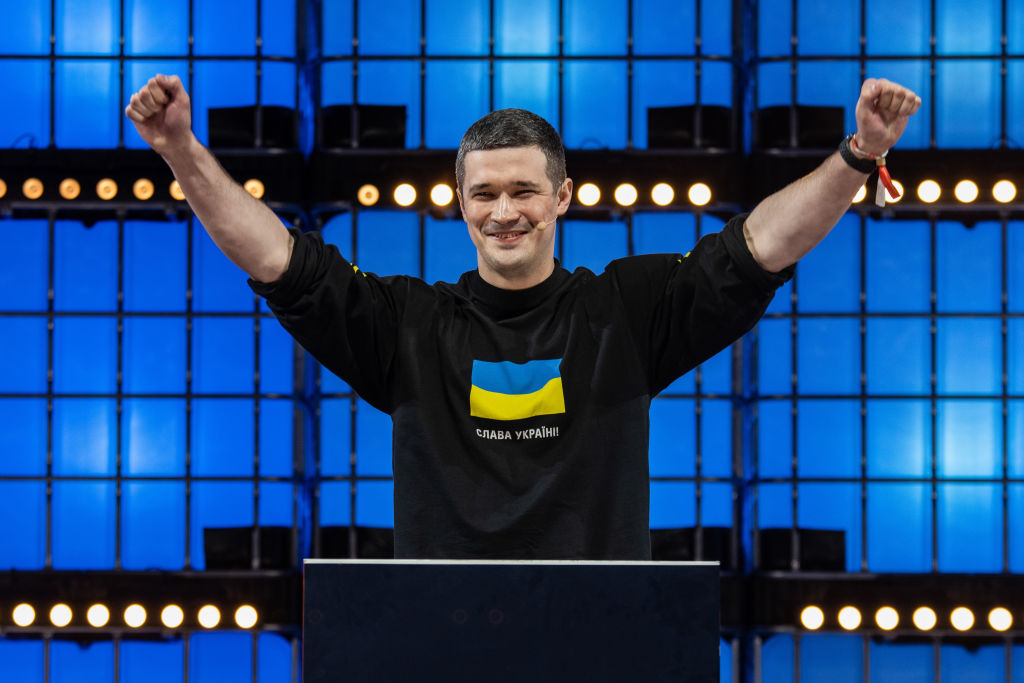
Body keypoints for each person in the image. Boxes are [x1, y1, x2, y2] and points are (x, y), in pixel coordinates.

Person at [126, 74, 920, 560]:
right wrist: (180, 150)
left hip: (602, 649)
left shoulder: (625, 311)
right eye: (484, 193)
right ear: (460, 203)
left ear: (563, 196)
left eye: (524, 191)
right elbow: (279, 261)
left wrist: (859, 152)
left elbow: (760, 248)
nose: (504, 212)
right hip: (442, 651)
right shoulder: (407, 325)